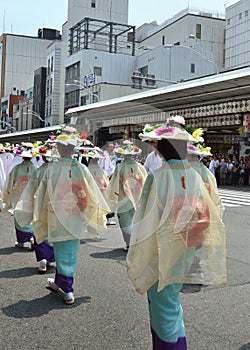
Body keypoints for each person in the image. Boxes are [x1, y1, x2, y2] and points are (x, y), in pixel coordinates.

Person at [126, 116, 226, 349]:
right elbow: (207, 209)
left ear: (161, 147)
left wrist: (140, 249)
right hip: (186, 242)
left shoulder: (157, 177)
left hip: (162, 246)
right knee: (171, 299)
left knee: (162, 301)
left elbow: (146, 218)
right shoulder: (194, 175)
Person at [16, 126, 110, 304]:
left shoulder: (52, 169)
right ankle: (63, 283)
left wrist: (38, 212)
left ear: (58, 148)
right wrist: (90, 213)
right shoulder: (82, 169)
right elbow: (91, 193)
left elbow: (42, 194)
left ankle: (68, 289)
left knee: (60, 248)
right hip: (75, 215)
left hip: (56, 215)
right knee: (71, 250)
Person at [15, 139, 59, 272]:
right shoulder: (58, 171)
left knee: (40, 229)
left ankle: (42, 260)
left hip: (39, 206)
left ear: (42, 157)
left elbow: (30, 191)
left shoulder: (37, 171)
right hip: (55, 206)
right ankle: (50, 258)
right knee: (52, 231)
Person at [106, 140, 147, 250]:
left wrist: (112, 199)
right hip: (138, 198)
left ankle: (129, 243)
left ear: (123, 154)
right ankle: (136, 243)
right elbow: (145, 183)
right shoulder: (140, 167)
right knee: (136, 221)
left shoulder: (120, 167)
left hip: (123, 199)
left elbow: (114, 184)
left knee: (125, 223)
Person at [2, 143, 36, 249]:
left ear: (22, 157)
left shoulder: (17, 168)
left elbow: (10, 181)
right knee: (30, 217)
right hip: (31, 196)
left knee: (18, 217)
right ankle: (31, 237)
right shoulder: (35, 168)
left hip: (18, 196)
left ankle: (22, 241)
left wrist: (8, 192)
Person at [98, 141, 117, 225]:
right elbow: (102, 168)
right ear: (106, 147)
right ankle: (105, 217)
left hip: (110, 178)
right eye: (110, 146)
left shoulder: (112, 156)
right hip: (105, 178)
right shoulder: (104, 156)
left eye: (113, 146)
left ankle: (108, 217)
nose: (112, 148)